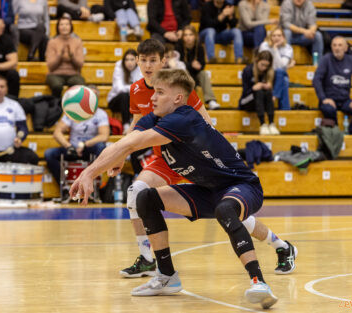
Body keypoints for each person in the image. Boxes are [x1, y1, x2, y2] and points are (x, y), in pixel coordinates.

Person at [69, 69, 297, 308]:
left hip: (241, 186)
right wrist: (101, 165)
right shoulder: (153, 118)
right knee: (145, 198)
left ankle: (259, 282)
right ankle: (167, 277)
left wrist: (89, 173)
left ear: (177, 98)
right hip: (207, 190)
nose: (153, 98)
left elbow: (135, 143)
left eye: (159, 92)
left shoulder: (183, 118)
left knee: (225, 210)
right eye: (153, 92)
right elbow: (125, 142)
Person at [120, 38, 212, 278]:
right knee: (135, 193)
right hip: (165, 160)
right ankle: (147, 259)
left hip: (194, 158)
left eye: (153, 60)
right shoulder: (136, 89)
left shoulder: (178, 86)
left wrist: (211, 155)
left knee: (228, 210)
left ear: (163, 61)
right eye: (143, 60)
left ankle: (280, 245)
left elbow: (206, 121)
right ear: (137, 61)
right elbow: (137, 124)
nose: (148, 65)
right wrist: (120, 155)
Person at [45, 86, 109, 185]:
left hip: (89, 148)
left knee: (101, 147)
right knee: (49, 154)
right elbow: (57, 132)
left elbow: (104, 136)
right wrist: (68, 146)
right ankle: (64, 186)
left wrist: (85, 144)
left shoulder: (101, 114)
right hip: (73, 148)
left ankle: (93, 182)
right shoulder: (73, 111)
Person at [313, 36, 352, 134]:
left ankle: (351, 133)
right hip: (329, 99)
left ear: (345, 48)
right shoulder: (326, 59)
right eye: (334, 45)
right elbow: (316, 79)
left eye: (340, 45)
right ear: (331, 47)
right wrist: (323, 98)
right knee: (329, 110)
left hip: (345, 101)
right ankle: (337, 135)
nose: (337, 48)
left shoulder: (350, 60)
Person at [177, 25, 220, 110]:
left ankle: (211, 100)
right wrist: (191, 65)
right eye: (185, 35)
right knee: (184, 72)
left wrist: (198, 66)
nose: (188, 37)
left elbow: (202, 64)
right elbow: (178, 64)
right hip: (183, 75)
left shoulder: (199, 47)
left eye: (190, 35)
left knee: (203, 74)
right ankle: (190, 101)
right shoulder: (179, 46)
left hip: (196, 74)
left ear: (195, 36)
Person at [239, 50, 279, 135]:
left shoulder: (270, 72)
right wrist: (253, 88)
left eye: (266, 66)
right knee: (259, 92)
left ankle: (271, 123)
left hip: (261, 103)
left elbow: (273, 92)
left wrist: (270, 89)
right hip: (246, 101)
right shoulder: (248, 70)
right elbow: (245, 92)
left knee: (268, 92)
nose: (264, 68)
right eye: (262, 65)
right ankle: (262, 124)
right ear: (257, 61)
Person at [45, 16, 85, 98]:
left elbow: (80, 64)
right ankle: (56, 108)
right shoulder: (52, 42)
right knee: (57, 86)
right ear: (58, 27)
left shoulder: (77, 42)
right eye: (61, 24)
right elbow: (50, 66)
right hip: (55, 74)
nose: (64, 27)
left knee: (80, 84)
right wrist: (59, 55)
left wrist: (72, 57)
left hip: (73, 74)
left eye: (67, 24)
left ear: (71, 27)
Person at [259, 26, 294, 110]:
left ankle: (274, 97)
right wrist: (287, 65)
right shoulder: (264, 46)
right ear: (270, 37)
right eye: (274, 35)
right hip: (266, 74)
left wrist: (275, 49)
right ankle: (285, 111)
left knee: (280, 72)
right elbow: (264, 65)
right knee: (284, 81)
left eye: (279, 35)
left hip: (279, 74)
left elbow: (280, 66)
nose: (276, 38)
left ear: (283, 37)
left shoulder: (288, 48)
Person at [107, 49, 142, 132]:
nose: (129, 62)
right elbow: (119, 88)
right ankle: (126, 125)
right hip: (115, 101)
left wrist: (132, 89)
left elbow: (141, 88)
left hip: (133, 101)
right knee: (124, 95)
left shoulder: (140, 68)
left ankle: (137, 124)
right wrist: (133, 88)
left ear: (136, 60)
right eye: (127, 60)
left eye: (132, 59)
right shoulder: (119, 67)